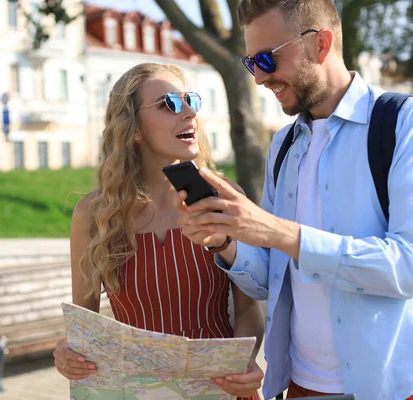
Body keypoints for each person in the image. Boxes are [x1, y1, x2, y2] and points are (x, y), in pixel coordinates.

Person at [172, 1, 413, 399]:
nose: (258, 78)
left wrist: (276, 230)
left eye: (267, 59)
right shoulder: (283, 146)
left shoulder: (408, 122)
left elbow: (408, 269)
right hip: (303, 386)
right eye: (250, 62)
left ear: (321, 44)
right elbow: (269, 278)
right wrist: (226, 240)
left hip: (400, 385)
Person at [53, 62, 265, 399]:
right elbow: (85, 328)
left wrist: (247, 359)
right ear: (134, 127)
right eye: (170, 104)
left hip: (221, 390)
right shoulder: (93, 215)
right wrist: (68, 352)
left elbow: (246, 309)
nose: (188, 114)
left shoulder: (227, 197)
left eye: (191, 101)